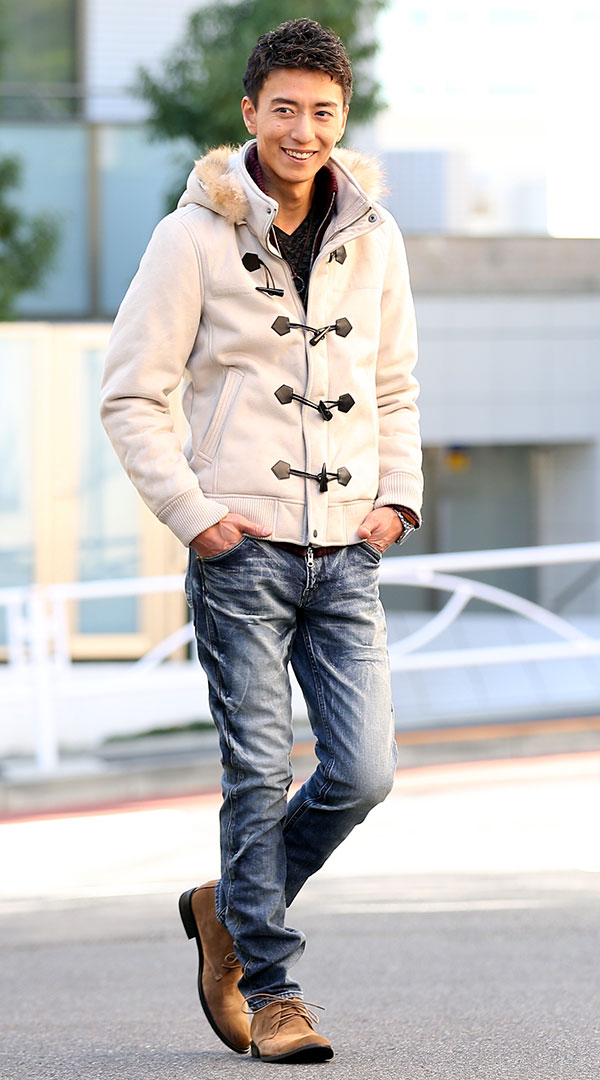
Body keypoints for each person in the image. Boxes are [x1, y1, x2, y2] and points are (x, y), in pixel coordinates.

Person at [100, 17, 422, 1065]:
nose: (303, 130)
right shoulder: (188, 237)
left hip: (348, 549)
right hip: (241, 551)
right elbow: (131, 395)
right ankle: (275, 992)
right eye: (284, 108)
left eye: (323, 111)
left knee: (364, 772)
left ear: (344, 117)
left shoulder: (375, 234)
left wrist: (396, 498)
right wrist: (197, 517)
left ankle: (224, 906)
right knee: (255, 772)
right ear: (249, 113)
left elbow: (394, 385)